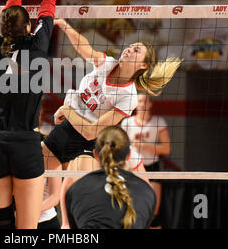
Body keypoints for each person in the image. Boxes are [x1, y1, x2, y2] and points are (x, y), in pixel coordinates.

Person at [0, 0, 82, 229]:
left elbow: (11, 7)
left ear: (3, 26)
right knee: (27, 229)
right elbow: (48, 3)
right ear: (29, 26)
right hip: (26, 143)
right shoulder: (37, 45)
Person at [43, 18, 181, 227]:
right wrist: (64, 25)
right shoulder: (108, 64)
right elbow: (85, 48)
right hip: (66, 130)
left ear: (143, 65)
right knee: (31, 174)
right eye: (131, 46)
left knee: (79, 196)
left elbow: (91, 132)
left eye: (136, 50)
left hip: (88, 144)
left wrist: (67, 110)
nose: (129, 49)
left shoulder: (128, 96)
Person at [65, 126, 156, 228]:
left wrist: (64, 223)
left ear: (95, 154)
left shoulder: (76, 189)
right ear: (129, 155)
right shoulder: (147, 191)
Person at [121, 93, 171, 228]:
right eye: (138, 101)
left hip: (152, 166)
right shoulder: (127, 123)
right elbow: (121, 147)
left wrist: (144, 146)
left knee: (153, 209)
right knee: (132, 207)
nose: (141, 104)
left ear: (149, 104)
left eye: (144, 101)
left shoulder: (158, 122)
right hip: (132, 168)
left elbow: (166, 149)